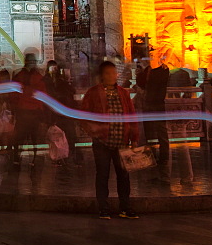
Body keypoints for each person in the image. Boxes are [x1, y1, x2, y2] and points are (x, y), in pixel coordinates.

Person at [80, 61, 139, 219]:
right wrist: (94, 131)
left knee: (124, 176)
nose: (111, 76)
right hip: (102, 142)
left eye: (114, 73)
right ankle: (103, 208)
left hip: (122, 142)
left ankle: (125, 207)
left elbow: (131, 116)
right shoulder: (93, 93)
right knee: (103, 175)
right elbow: (83, 115)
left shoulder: (123, 93)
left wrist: (134, 138)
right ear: (101, 76)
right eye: (108, 73)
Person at [137, 54, 171, 183]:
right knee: (149, 136)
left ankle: (163, 165)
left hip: (155, 106)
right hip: (149, 107)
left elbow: (146, 84)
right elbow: (142, 83)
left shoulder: (162, 71)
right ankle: (153, 166)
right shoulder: (149, 71)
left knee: (160, 136)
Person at [9, 53, 47, 167]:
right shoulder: (39, 77)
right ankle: (35, 159)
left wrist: (15, 108)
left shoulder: (19, 75)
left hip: (22, 111)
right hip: (34, 112)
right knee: (34, 138)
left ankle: (17, 158)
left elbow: (13, 95)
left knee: (19, 137)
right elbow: (42, 95)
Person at [44, 60, 81, 165]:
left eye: (55, 68)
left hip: (63, 113)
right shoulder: (47, 81)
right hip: (56, 113)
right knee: (57, 137)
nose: (54, 70)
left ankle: (67, 155)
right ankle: (59, 157)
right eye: (52, 68)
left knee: (68, 135)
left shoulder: (61, 82)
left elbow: (70, 92)